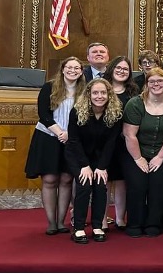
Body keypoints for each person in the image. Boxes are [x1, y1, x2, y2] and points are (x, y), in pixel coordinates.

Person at [24, 57, 85, 235]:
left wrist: (69, 135)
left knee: (66, 179)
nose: (72, 70)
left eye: (77, 68)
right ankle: (51, 222)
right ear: (63, 69)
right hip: (48, 137)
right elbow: (44, 114)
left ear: (81, 72)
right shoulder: (49, 87)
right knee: (50, 179)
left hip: (72, 139)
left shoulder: (84, 91)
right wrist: (59, 132)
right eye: (69, 67)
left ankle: (61, 222)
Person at [122, 68, 163, 238]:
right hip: (135, 152)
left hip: (162, 153)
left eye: (160, 81)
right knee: (137, 186)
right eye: (152, 81)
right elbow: (129, 134)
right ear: (147, 84)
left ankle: (154, 223)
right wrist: (139, 158)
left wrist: (160, 157)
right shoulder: (135, 103)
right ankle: (134, 223)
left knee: (158, 186)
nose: (156, 84)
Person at [65, 79, 122, 244]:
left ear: (109, 94)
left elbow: (112, 142)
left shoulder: (115, 113)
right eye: (95, 93)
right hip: (78, 156)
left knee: (100, 186)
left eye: (103, 93)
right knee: (83, 186)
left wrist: (102, 167)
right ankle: (79, 228)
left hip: (101, 158)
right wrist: (84, 166)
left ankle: (97, 226)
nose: (99, 96)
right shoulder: (77, 111)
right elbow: (74, 140)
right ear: (89, 94)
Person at [101, 56, 140, 231]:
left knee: (122, 181)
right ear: (111, 68)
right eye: (118, 67)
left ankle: (120, 218)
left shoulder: (133, 91)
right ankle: (101, 219)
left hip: (126, 142)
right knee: (104, 182)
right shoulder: (102, 88)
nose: (122, 71)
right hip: (104, 141)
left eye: (125, 69)